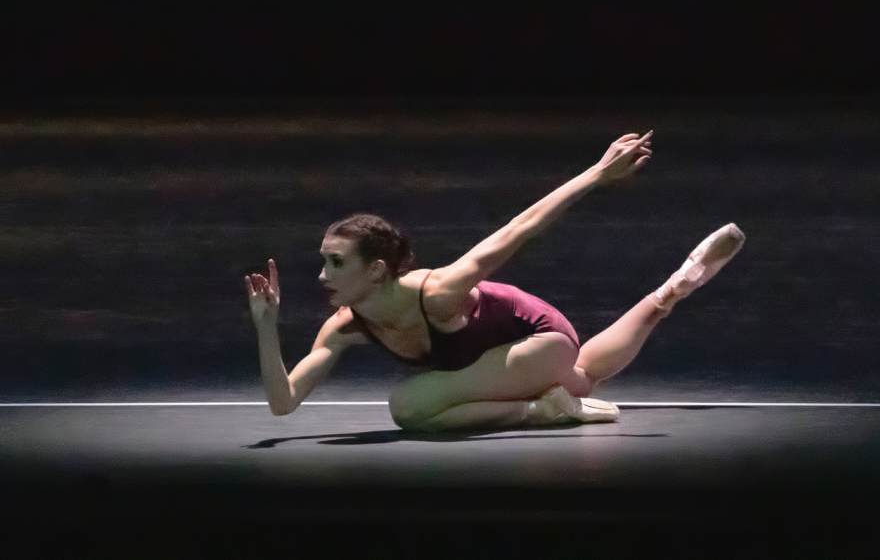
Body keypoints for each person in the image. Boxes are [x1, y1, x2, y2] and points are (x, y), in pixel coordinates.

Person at [244, 130, 746, 432]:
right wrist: (267, 328)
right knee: (582, 378)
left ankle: (543, 411)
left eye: (336, 263)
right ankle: (672, 290)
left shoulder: (438, 292)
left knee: (411, 405)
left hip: (538, 336)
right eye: (324, 262)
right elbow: (283, 404)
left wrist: (596, 173)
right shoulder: (345, 326)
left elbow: (518, 229)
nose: (323, 275)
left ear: (376, 270)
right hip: (509, 362)